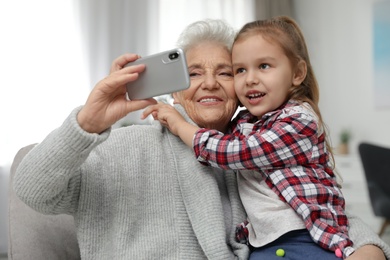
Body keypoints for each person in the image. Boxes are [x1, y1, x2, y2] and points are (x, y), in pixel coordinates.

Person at [13, 19, 389, 260]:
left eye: (227, 72)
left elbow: (316, 205)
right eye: (193, 73)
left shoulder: (252, 151)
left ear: (242, 89)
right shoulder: (124, 146)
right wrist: (88, 122)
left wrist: (368, 247)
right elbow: (33, 191)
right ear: (174, 91)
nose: (210, 83)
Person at [142, 17, 383, 260]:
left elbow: (231, 152)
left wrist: (179, 125)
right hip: (263, 245)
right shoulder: (244, 123)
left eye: (264, 66)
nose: (250, 79)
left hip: (304, 240)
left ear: (297, 73)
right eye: (240, 70)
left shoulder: (299, 121)